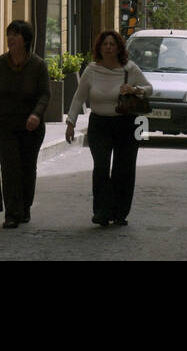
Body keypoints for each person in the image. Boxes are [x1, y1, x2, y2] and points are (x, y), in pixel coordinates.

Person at [65, 29, 152, 226]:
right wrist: (71, 123)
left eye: (112, 44)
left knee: (124, 169)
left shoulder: (129, 69)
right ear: (100, 48)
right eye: (105, 44)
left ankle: (120, 213)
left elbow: (149, 89)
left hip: (126, 124)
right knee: (102, 167)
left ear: (119, 47)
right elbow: (79, 96)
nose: (109, 47)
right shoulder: (92, 70)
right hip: (99, 124)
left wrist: (135, 89)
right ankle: (102, 211)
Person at [0, 20, 50, 228]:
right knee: (10, 168)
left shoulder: (38, 65)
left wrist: (36, 115)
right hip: (3, 127)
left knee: (27, 168)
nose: (10, 38)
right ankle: (11, 213)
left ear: (25, 39)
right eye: (9, 34)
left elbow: (45, 94)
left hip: (31, 128)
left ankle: (24, 207)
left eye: (15, 34)